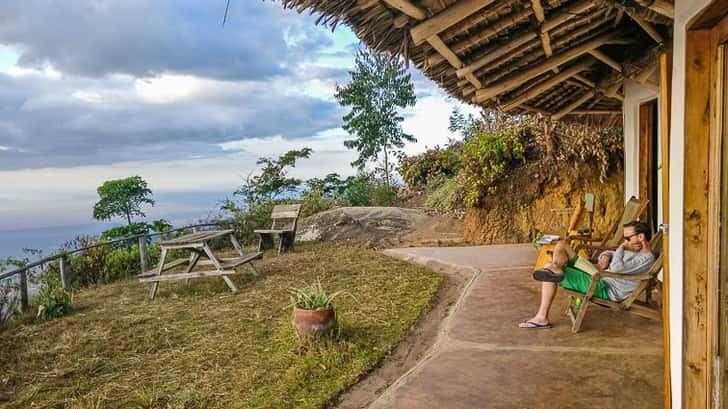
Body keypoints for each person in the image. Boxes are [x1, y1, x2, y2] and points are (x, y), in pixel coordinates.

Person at [519, 220, 656, 329]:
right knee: (562, 245)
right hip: (600, 276)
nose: (624, 241)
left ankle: (542, 317)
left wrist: (621, 247)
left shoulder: (645, 259)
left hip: (604, 287)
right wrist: (605, 256)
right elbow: (612, 254)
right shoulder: (635, 249)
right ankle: (556, 268)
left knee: (548, 270)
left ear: (640, 237)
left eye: (626, 238)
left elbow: (616, 268)